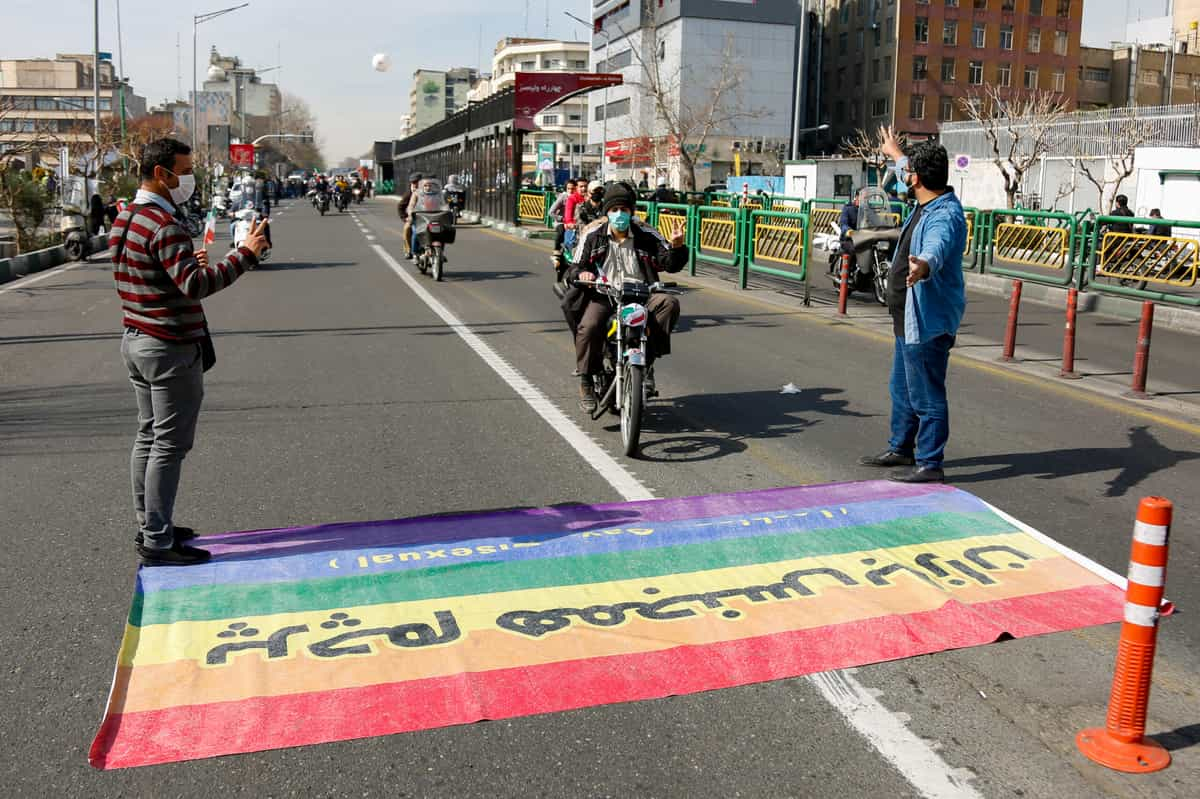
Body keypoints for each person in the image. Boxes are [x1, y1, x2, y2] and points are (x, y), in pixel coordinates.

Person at [110, 138, 269, 566]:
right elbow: (196, 286)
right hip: (168, 348)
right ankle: (159, 543)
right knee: (168, 446)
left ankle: (152, 527)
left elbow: (141, 271)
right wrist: (245, 255)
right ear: (162, 174)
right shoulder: (163, 224)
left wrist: (185, 261)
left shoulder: (127, 217)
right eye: (184, 170)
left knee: (149, 438)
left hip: (136, 340)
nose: (189, 179)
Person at [858, 128, 967, 484]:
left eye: (908, 173)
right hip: (906, 315)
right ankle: (901, 447)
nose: (905, 175)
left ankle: (931, 462)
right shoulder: (928, 198)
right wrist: (895, 151)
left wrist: (924, 265)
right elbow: (907, 169)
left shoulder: (943, 215)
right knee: (901, 388)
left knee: (926, 393)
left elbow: (937, 244)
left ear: (917, 179)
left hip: (926, 317)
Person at [564, 183, 688, 412]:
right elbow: (574, 267)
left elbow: (669, 263)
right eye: (614, 210)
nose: (619, 214)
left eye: (624, 209)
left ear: (631, 211)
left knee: (669, 303)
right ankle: (586, 381)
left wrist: (677, 247)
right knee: (589, 327)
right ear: (607, 212)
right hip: (605, 295)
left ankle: (647, 361)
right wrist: (582, 273)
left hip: (641, 294)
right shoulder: (593, 234)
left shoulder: (646, 233)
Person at [549, 179, 577, 255]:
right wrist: (563, 219)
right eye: (569, 189)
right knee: (561, 231)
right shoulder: (563, 197)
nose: (571, 191)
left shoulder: (578, 197)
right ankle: (556, 250)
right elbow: (551, 212)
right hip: (561, 222)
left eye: (573, 189)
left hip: (575, 222)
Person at [399, 173, 420, 259]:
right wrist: (405, 218)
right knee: (407, 228)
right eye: (413, 182)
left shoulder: (428, 191)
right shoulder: (409, 194)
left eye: (417, 182)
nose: (415, 184)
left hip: (427, 217)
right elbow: (400, 206)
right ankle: (408, 250)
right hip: (414, 218)